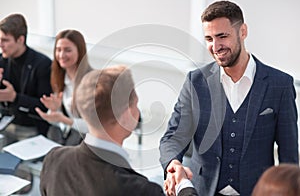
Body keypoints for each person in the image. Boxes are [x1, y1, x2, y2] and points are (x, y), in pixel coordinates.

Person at [160, 0, 299, 196]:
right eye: (209, 38)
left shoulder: (280, 85)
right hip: (203, 191)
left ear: (243, 31)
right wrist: (173, 163)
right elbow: (173, 137)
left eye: (222, 36)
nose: (215, 46)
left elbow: (289, 156)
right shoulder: (195, 82)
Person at [40, 66, 198, 196]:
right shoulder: (140, 190)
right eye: (135, 104)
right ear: (126, 116)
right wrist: (183, 185)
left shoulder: (54, 160)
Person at [0, 13, 52, 144]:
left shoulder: (42, 64)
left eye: (5, 40)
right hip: (5, 125)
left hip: (30, 128)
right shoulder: (1, 61)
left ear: (20, 40)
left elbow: (45, 107)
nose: (1, 45)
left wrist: (14, 98)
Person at [35, 29, 92, 145]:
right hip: (69, 141)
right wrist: (55, 110)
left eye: (68, 50)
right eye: (58, 50)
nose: (61, 55)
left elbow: (95, 127)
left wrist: (64, 119)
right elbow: (59, 123)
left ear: (80, 51)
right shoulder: (60, 79)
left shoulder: (91, 82)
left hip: (87, 145)